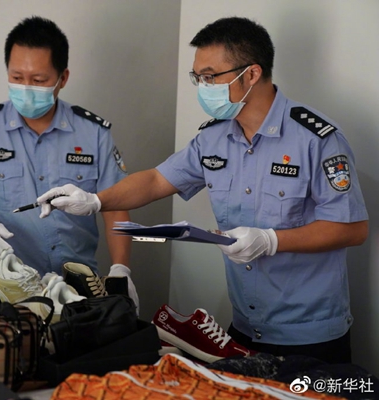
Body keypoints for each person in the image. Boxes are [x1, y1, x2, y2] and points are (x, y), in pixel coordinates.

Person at [37, 17, 368, 363]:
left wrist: (271, 240)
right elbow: (156, 180)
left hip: (310, 335)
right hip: (244, 327)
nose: (202, 87)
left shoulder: (316, 139)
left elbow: (353, 228)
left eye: (210, 77)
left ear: (251, 74)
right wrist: (94, 200)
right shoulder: (214, 137)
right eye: (197, 77)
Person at [0, 16, 137, 308]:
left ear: (62, 78)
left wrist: (121, 268)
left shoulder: (93, 132)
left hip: (78, 290)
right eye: (17, 77)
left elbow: (116, 206)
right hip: (10, 289)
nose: (26, 88)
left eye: (38, 80)